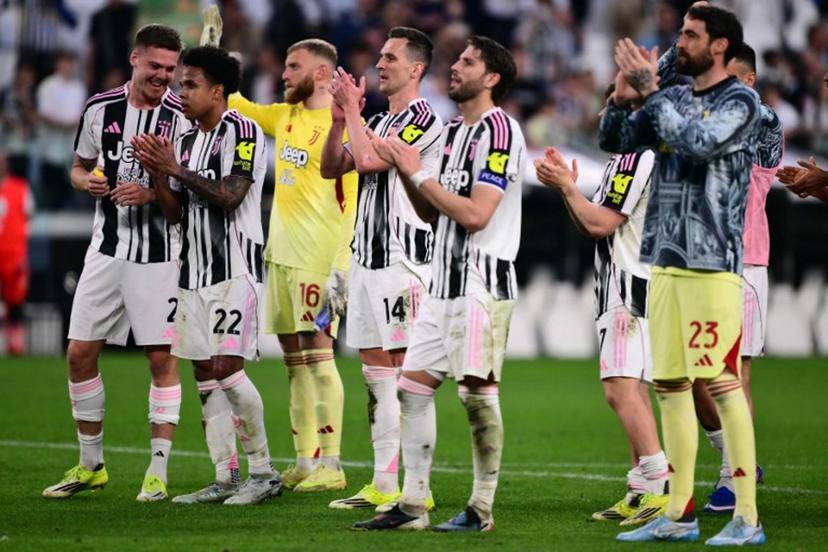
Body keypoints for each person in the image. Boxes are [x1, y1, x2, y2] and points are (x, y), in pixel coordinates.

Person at [600, 5, 766, 545]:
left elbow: (698, 145)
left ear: (720, 46)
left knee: (718, 383)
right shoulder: (671, 97)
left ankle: (746, 517)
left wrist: (651, 93)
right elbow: (616, 138)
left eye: (691, 35)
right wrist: (622, 95)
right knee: (671, 385)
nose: (679, 44)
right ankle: (679, 514)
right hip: (663, 261)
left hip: (713, 262)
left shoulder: (742, 102)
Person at [354, 35, 526, 532]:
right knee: (412, 387)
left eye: (467, 62)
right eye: (457, 59)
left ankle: (481, 508)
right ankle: (412, 505)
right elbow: (431, 210)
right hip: (441, 283)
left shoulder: (500, 131)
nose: (455, 67)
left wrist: (415, 173)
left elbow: (476, 214)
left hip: (480, 284)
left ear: (491, 78)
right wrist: (413, 174)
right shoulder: (451, 133)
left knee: (476, 394)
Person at [42, 24, 188, 503]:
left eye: (171, 69)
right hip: (104, 250)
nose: (163, 77)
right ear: (134, 59)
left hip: (160, 256)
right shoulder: (99, 108)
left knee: (160, 358)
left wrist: (151, 191)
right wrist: (88, 184)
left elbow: (186, 203)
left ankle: (158, 471)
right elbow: (79, 166)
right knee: (79, 355)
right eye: (155, 67)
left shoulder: (182, 117)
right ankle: (90, 465)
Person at [132, 45, 281, 506]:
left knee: (226, 368)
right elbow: (176, 216)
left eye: (190, 84)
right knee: (202, 370)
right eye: (181, 83)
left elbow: (230, 196)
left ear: (218, 90)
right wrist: (160, 177)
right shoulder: (191, 140)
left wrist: (175, 167)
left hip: (234, 269)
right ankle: (226, 474)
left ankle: (263, 472)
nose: (181, 92)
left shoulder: (245, 132)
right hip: (192, 270)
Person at [320, 26, 443, 512]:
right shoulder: (375, 119)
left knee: (404, 372)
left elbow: (369, 163)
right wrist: (336, 121)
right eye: (381, 55)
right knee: (375, 372)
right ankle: (383, 482)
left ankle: (418, 485)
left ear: (415, 68)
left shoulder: (424, 118)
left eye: (391, 57)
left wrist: (351, 111)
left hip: (403, 260)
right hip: (366, 258)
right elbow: (334, 167)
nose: (381, 63)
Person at [229, 39, 358, 492]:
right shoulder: (284, 116)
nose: (283, 74)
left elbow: (353, 199)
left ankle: (334, 464)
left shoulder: (345, 126)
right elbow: (233, 102)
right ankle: (306, 460)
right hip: (280, 257)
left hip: (324, 263)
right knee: (294, 364)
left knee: (321, 360)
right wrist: (213, 53)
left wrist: (340, 270)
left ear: (322, 73)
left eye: (293, 66)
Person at [535, 134, 670, 527]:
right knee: (635, 392)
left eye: (613, 101)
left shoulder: (634, 158)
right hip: (630, 286)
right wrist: (569, 191)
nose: (601, 114)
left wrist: (567, 187)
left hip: (627, 290)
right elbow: (592, 223)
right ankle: (640, 488)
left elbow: (599, 224)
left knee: (620, 391)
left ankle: (661, 486)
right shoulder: (623, 161)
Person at [691, 42, 783, 514]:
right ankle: (735, 455)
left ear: (746, 82)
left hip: (744, 261)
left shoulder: (763, 120)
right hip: (703, 261)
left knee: (731, 371)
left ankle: (733, 479)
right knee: (690, 376)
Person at [0, 148, 34, 356]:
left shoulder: (20, 188)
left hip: (14, 256)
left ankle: (15, 346)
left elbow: (28, 215)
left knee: (15, 302)